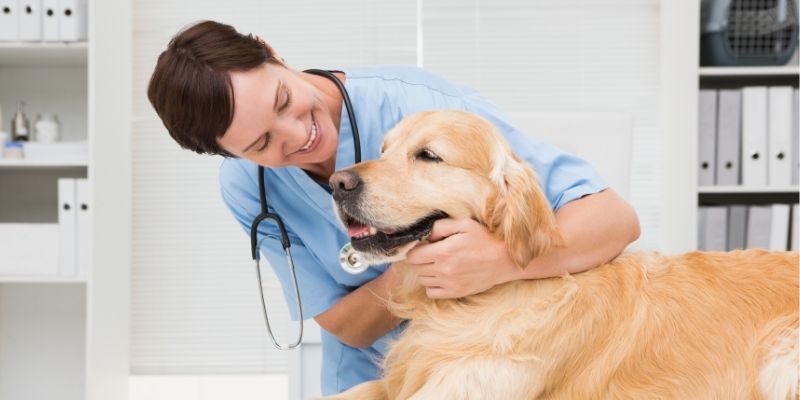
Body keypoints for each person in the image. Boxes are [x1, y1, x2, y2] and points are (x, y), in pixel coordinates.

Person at [147, 20, 640, 395]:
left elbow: (616, 221)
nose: (300, 136)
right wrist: (419, 266)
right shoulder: (246, 188)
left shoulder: (417, 104)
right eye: (261, 144)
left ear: (274, 55)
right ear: (231, 155)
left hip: (496, 352)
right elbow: (344, 325)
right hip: (373, 374)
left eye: (283, 100)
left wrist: (497, 259)